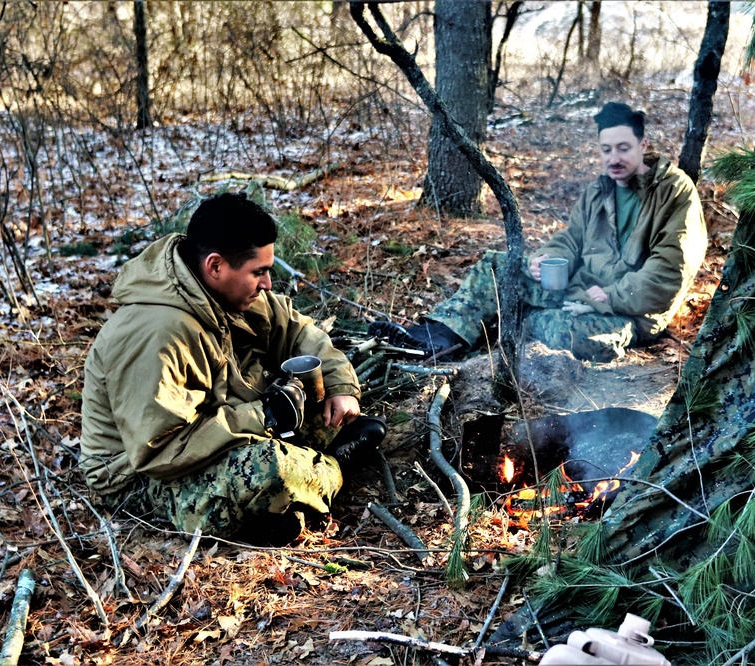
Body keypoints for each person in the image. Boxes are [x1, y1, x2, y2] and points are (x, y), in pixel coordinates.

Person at [80, 193, 386, 545]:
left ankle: (291, 496)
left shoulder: (232, 293)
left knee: (319, 401)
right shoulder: (157, 333)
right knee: (270, 469)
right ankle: (333, 467)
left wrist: (340, 385)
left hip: (212, 429)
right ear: (215, 266)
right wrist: (264, 416)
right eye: (259, 272)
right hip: (138, 477)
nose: (268, 284)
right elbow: (159, 451)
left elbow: (298, 331)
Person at [371, 102, 708, 362]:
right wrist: (546, 258)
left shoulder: (674, 191)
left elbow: (668, 273)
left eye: (623, 148)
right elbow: (571, 240)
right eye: (606, 150)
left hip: (630, 311)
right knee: (498, 266)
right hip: (581, 291)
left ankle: (511, 318)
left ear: (643, 144)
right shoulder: (599, 190)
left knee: (561, 330)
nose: (614, 158)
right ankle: (435, 337)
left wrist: (605, 299)